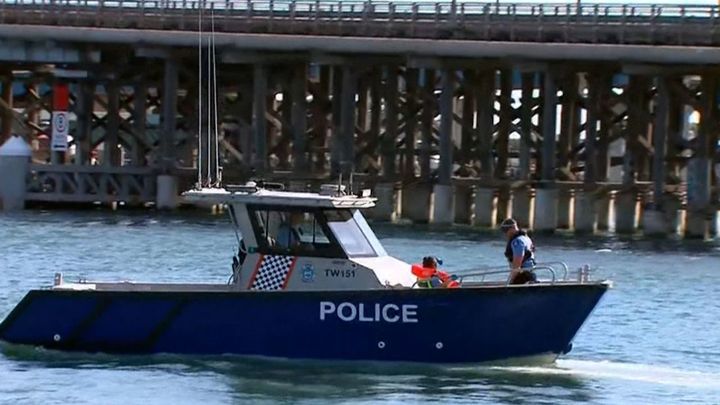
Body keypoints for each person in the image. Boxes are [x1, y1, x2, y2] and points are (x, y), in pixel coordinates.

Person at [499, 218, 537, 285]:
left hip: (523, 276)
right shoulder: (526, 238)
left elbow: (517, 265)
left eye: (506, 230)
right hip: (530, 273)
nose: (506, 233)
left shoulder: (517, 242)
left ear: (513, 228)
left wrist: (510, 281)